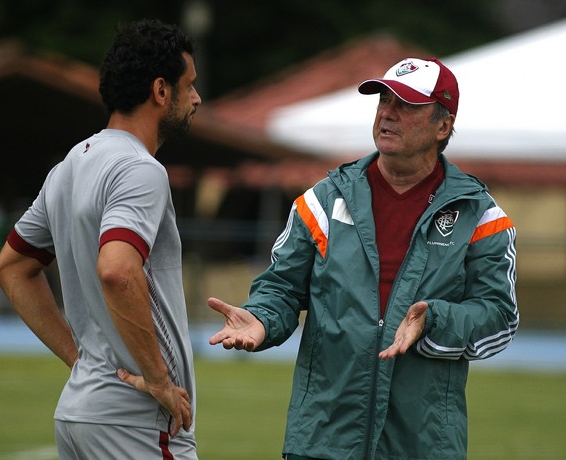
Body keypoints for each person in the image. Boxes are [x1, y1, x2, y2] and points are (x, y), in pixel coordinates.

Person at [207, 57, 518, 459]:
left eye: (406, 105)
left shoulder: (480, 216)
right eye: (383, 101)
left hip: (422, 445)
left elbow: (499, 316)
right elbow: (280, 289)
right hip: (322, 440)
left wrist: (435, 320)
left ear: (443, 126)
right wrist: (262, 319)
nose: (388, 113)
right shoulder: (322, 200)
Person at [0, 18, 201, 459]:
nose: (197, 99)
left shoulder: (69, 165)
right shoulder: (141, 170)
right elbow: (117, 270)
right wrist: (160, 382)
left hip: (81, 412)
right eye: (190, 86)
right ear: (161, 91)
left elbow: (11, 267)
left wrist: (80, 361)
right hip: (136, 420)